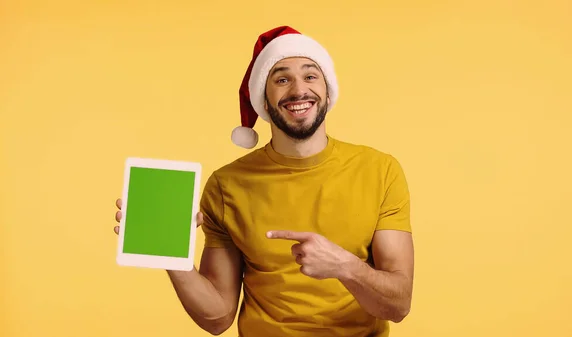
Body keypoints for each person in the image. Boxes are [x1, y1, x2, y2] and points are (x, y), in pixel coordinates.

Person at [113, 25, 414, 337]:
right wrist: (170, 252)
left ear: (327, 89)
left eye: (310, 76)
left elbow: (398, 305)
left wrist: (344, 266)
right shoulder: (226, 185)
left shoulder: (380, 170)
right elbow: (217, 319)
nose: (299, 89)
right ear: (264, 98)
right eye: (282, 79)